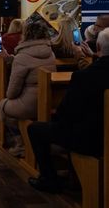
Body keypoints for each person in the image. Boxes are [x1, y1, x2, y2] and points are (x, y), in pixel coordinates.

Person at [28, 28, 109, 193]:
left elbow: (65, 114)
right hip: (101, 134)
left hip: (90, 139)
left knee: (35, 129)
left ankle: (49, 179)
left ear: (98, 47)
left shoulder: (84, 77)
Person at [0, 21, 56, 156]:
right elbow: (32, 64)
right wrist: (10, 59)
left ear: (26, 35)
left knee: (2, 106)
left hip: (30, 105)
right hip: (49, 100)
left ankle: (21, 145)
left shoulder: (22, 56)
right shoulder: (50, 53)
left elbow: (12, 93)